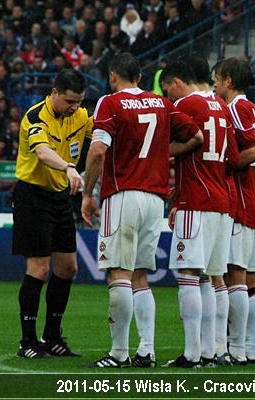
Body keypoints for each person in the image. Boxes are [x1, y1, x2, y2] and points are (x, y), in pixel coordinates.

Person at [81, 52, 202, 368]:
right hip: (154, 200)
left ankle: (118, 353)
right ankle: (146, 350)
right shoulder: (162, 104)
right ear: (141, 78)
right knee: (139, 276)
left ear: (112, 76)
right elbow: (196, 137)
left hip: (123, 195)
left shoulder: (110, 102)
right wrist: (160, 156)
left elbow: (97, 150)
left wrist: (86, 192)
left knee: (117, 272)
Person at [159, 59, 237, 368]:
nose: (169, 97)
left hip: (196, 199)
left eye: (168, 90)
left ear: (177, 82)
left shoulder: (187, 105)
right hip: (220, 200)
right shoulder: (220, 106)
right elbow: (230, 157)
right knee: (210, 278)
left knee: (188, 274)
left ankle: (192, 354)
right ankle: (212, 351)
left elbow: (182, 141)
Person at [14, 69, 91, 358]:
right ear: (55, 93)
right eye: (70, 101)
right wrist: (69, 167)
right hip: (32, 197)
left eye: (79, 101)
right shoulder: (34, 117)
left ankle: (53, 336)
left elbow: (99, 140)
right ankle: (28, 342)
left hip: (60, 196)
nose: (74, 107)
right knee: (39, 268)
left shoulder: (81, 116)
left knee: (68, 269)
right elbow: (44, 153)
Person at [214, 57, 255, 364]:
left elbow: (253, 151)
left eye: (217, 80)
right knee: (250, 278)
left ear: (229, 82)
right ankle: (249, 348)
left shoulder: (235, 109)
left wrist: (220, 165)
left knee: (233, 273)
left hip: (240, 198)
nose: (214, 86)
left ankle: (234, 349)